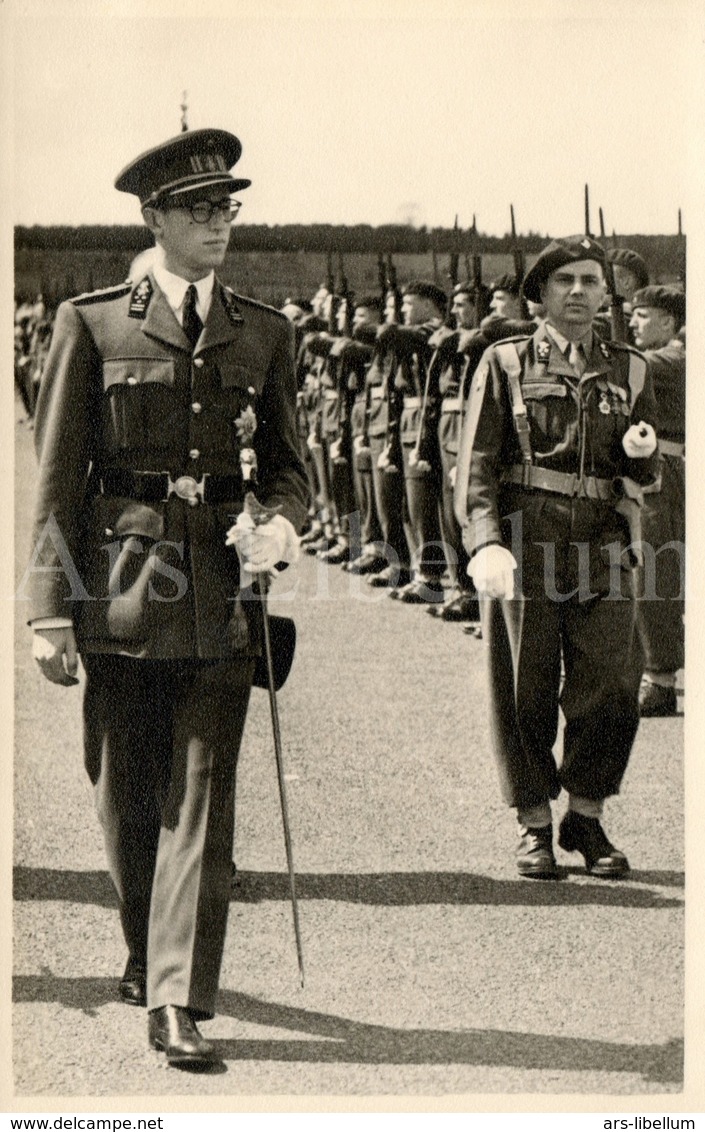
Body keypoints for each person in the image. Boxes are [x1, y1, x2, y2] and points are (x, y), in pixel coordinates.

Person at [27, 128, 309, 1068]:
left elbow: (287, 466)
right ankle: (145, 945)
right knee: (125, 797)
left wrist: (277, 520)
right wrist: (45, 609)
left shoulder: (266, 330)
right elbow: (58, 479)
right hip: (121, 590)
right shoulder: (94, 322)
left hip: (221, 596)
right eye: (199, 209)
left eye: (227, 206)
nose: (218, 223)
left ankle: (177, 993)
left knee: (202, 798)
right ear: (153, 218)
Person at [455, 236, 659, 880]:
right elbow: (477, 461)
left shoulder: (631, 368)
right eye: (565, 280)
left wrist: (642, 451)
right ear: (540, 294)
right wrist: (483, 538)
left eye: (591, 282)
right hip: (526, 539)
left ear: (606, 294)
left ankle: (587, 816)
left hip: (603, 541)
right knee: (525, 688)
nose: (578, 291)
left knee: (613, 687)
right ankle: (535, 823)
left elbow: (645, 468)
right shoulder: (507, 361)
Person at [629, 285, 686, 716]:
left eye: (642, 315)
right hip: (665, 471)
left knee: (656, 572)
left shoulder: (673, 357)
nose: (633, 322)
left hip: (670, 473)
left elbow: (633, 367)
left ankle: (661, 679)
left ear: (669, 321)